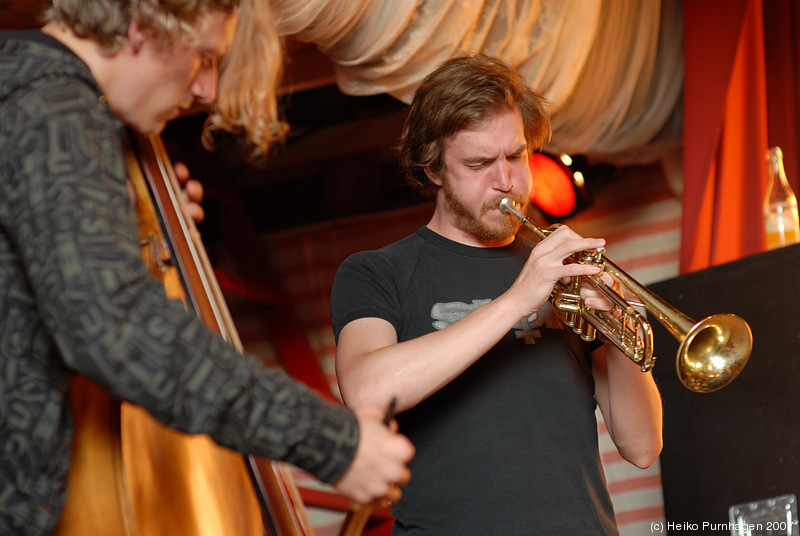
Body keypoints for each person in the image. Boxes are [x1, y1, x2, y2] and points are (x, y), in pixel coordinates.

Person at [0, 1, 414, 534]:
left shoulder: (28, 95)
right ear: (140, 27)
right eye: (203, 58)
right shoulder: (52, 107)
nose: (205, 91)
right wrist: (332, 442)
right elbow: (117, 326)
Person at [330, 53, 663, 535]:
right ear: (433, 170)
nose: (506, 181)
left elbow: (642, 446)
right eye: (479, 163)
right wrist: (516, 301)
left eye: (516, 155)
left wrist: (619, 331)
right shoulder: (377, 272)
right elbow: (366, 392)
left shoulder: (562, 270)